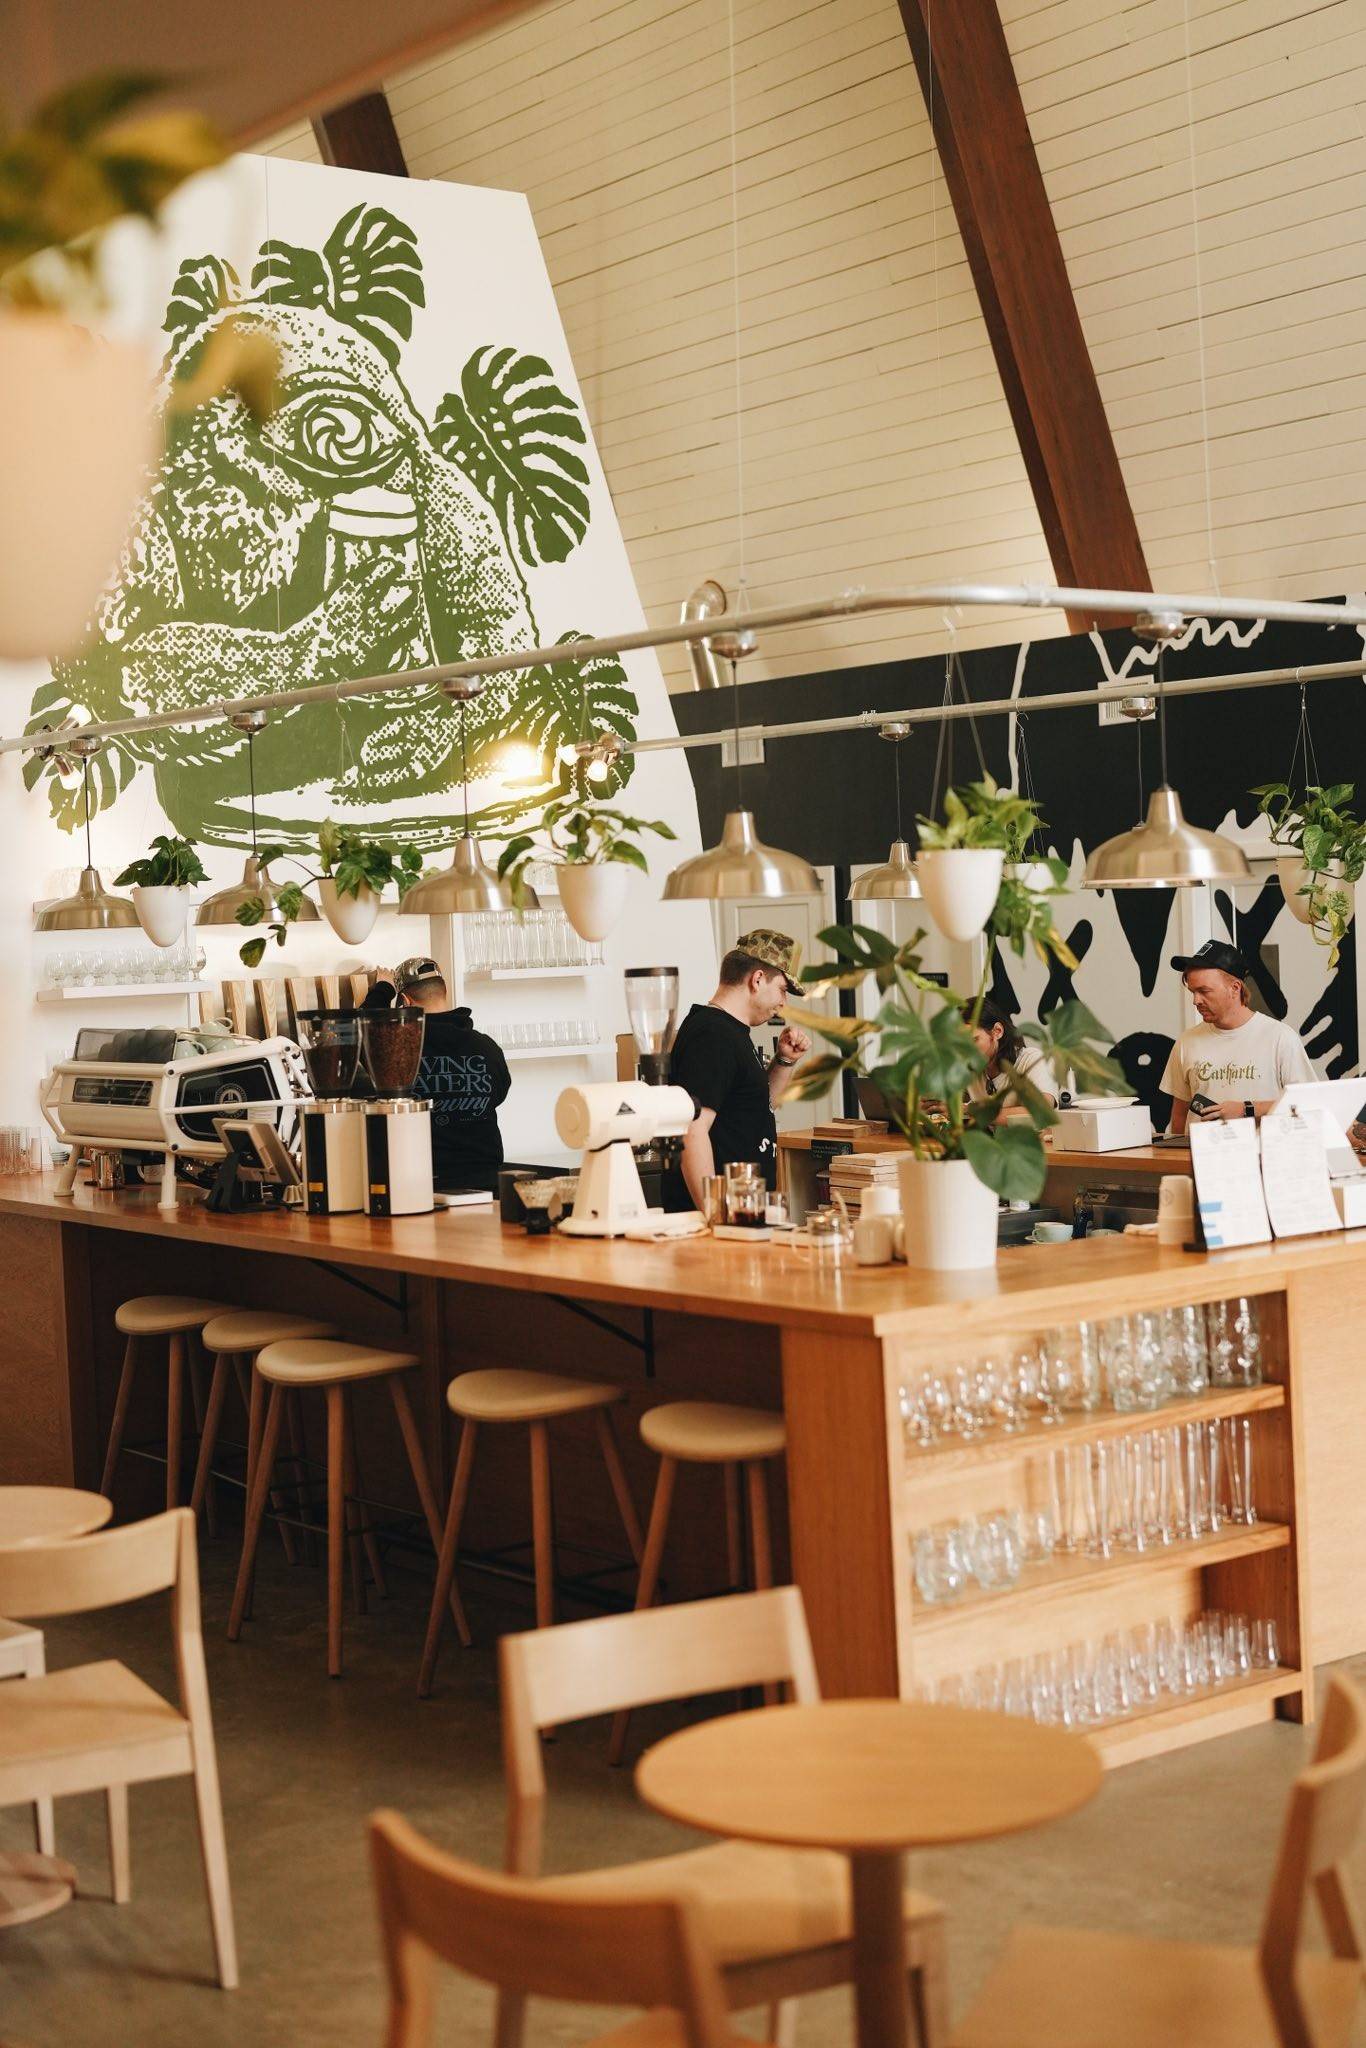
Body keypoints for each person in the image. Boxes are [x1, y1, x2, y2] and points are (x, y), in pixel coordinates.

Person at [666, 930, 812, 1213]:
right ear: (757, 980)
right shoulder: (712, 1035)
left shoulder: (729, 1032)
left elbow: (755, 1107)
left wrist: (784, 1061)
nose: (784, 1003)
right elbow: (692, 1130)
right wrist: (715, 1217)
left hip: (744, 1214)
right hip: (721, 1220)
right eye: (782, 990)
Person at [1161, 940, 1313, 1133]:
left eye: (1204, 991)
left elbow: (1308, 1104)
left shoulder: (1280, 1038)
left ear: (1235, 988)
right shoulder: (1186, 1042)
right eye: (1193, 992)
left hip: (1264, 1152)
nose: (1196, 1000)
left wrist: (1246, 1109)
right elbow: (1180, 1116)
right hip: (1200, 1152)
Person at [392, 957, 512, 1191]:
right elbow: (499, 1094)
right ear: (445, 993)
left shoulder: (399, 1050)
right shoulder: (486, 1046)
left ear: (404, 1001)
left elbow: (360, 1040)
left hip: (422, 1186)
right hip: (487, 1183)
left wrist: (381, 990)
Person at [964, 998, 1058, 1108]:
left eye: (973, 1040)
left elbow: (1042, 1109)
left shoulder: (1032, 1060)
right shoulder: (973, 1072)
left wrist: (974, 1110)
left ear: (997, 1031)